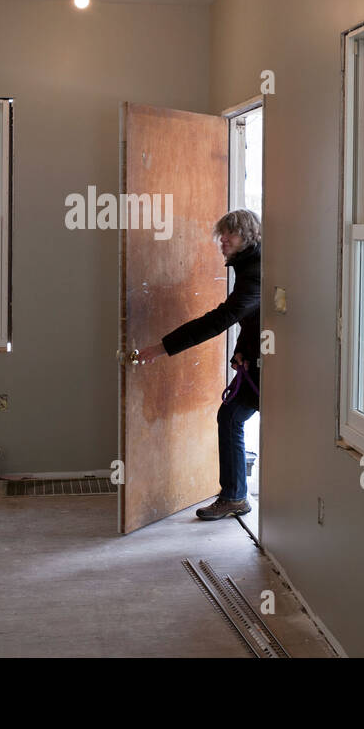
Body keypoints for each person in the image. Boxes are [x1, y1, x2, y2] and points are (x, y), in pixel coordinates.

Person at [134, 209, 261, 520]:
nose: (223, 240)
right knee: (230, 416)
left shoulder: (257, 271)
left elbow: (222, 319)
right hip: (257, 358)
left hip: (276, 362)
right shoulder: (248, 266)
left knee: (235, 418)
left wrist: (161, 347)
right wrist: (241, 351)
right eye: (222, 234)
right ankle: (234, 497)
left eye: (230, 234)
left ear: (248, 236)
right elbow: (252, 320)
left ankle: (238, 497)